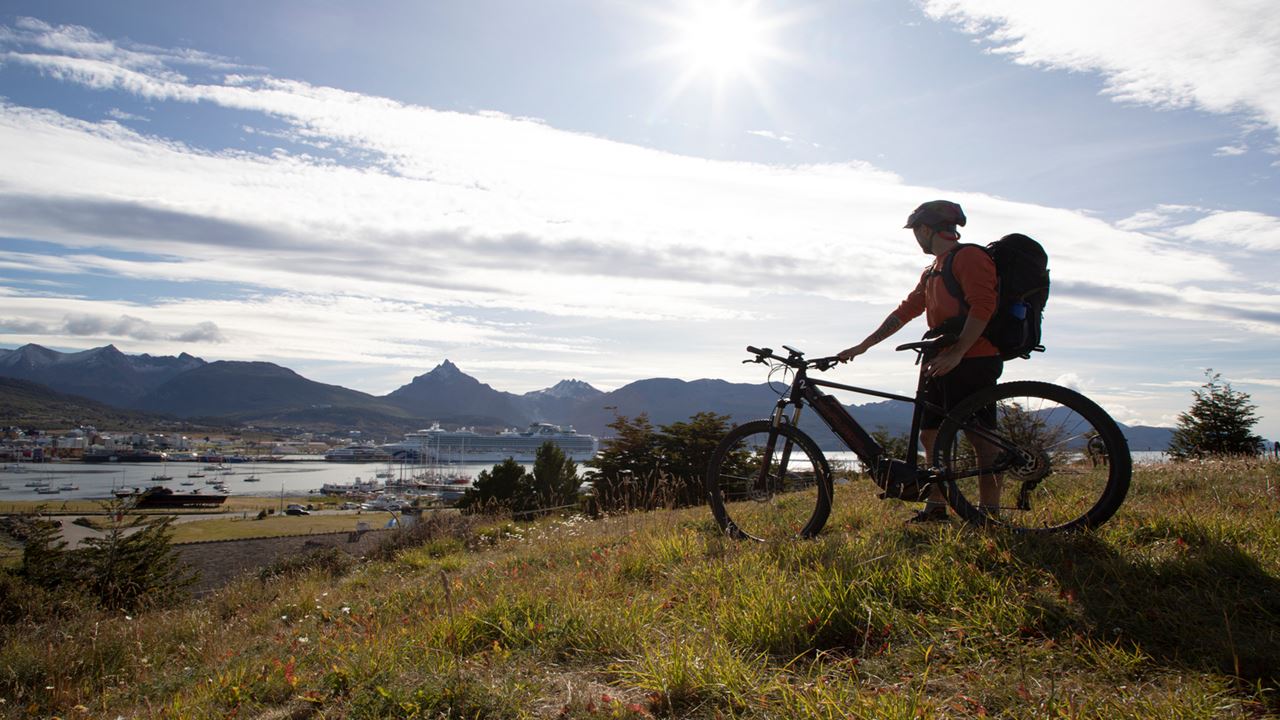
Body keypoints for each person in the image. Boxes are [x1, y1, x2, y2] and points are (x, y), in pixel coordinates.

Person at [837, 199, 1003, 522]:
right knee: (931, 435)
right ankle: (937, 508)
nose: (916, 239)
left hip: (974, 358)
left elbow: (984, 306)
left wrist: (958, 352)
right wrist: (864, 346)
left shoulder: (968, 257)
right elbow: (905, 312)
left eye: (916, 232)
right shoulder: (932, 271)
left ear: (926, 229)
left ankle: (990, 514)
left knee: (981, 439)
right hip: (940, 361)